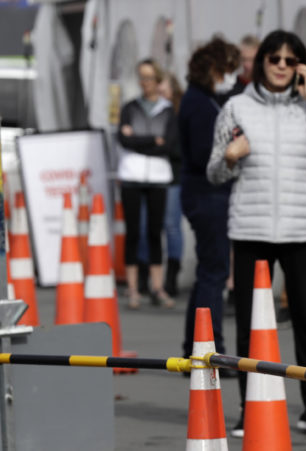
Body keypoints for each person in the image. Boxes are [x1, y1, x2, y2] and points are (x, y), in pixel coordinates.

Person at [207, 30, 306, 436]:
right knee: (250, 326)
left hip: (301, 229)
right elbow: (213, 173)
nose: (281, 66)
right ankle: (251, 411)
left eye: (290, 59)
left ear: (299, 65)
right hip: (252, 229)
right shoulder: (236, 107)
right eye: (274, 58)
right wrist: (230, 157)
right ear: (261, 61)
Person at [178, 38, 240, 369]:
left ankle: (197, 343)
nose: (231, 76)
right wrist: (235, 150)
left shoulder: (200, 100)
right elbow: (206, 155)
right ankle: (209, 346)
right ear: (214, 69)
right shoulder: (200, 104)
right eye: (228, 69)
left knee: (209, 272)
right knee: (215, 273)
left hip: (203, 193)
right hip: (208, 194)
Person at [116, 58, 177, 309]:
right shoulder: (130, 107)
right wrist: (155, 140)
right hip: (131, 173)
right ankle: (133, 289)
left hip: (158, 176)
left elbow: (171, 144)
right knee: (133, 232)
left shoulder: (167, 108)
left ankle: (157, 287)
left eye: (150, 77)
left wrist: (140, 139)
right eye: (141, 77)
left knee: (155, 231)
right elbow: (123, 139)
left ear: (158, 79)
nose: (145, 82)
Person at [137, 71, 184, 297]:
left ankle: (171, 276)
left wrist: (152, 144)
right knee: (147, 226)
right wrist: (153, 143)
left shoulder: (177, 115)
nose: (160, 95)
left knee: (171, 225)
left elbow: (173, 148)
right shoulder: (153, 113)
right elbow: (135, 139)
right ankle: (145, 276)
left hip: (172, 177)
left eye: (164, 91)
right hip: (150, 177)